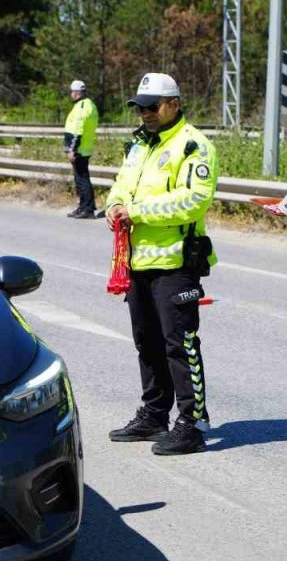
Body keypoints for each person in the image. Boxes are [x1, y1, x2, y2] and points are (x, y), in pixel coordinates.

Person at [104, 72, 219, 456]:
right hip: (138, 260)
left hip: (175, 263)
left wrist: (135, 211)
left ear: (174, 103)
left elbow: (193, 200)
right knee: (146, 342)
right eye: (140, 107)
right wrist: (114, 205)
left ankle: (192, 423)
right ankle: (155, 413)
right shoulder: (140, 146)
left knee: (180, 345)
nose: (145, 114)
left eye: (152, 107)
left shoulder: (194, 146)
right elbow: (121, 185)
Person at [63, 80, 100, 219]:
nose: (71, 94)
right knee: (80, 179)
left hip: (80, 149)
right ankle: (83, 206)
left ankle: (88, 209)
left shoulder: (83, 106)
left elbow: (78, 129)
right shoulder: (88, 105)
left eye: (73, 91)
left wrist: (72, 148)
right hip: (83, 147)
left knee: (82, 180)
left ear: (77, 93)